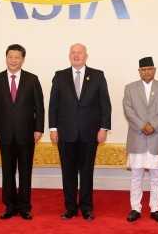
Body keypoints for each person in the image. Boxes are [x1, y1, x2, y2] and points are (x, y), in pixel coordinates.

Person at [49, 43, 111, 221]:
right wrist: (53, 128)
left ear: (86, 56)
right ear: (69, 55)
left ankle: (86, 207)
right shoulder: (60, 76)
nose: (76, 56)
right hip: (65, 133)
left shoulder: (98, 75)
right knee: (67, 172)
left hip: (90, 134)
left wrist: (104, 128)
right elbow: (53, 105)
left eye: (80, 53)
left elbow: (105, 105)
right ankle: (70, 208)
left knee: (86, 172)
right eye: (73, 53)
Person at [0, 44, 44, 220]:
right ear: (6, 58)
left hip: (27, 133)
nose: (13, 60)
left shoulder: (32, 79)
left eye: (17, 57)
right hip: (4, 134)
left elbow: (39, 107)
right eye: (10, 57)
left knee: (25, 172)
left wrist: (39, 128)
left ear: (22, 59)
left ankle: (25, 207)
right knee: (8, 172)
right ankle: (9, 206)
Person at [123, 57, 158, 223]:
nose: (147, 72)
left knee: (156, 176)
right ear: (139, 71)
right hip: (137, 137)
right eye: (143, 70)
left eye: (150, 69)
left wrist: (153, 126)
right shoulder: (130, 88)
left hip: (157, 137)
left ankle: (155, 208)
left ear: (154, 69)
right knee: (136, 176)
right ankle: (135, 208)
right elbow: (128, 110)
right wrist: (142, 125)